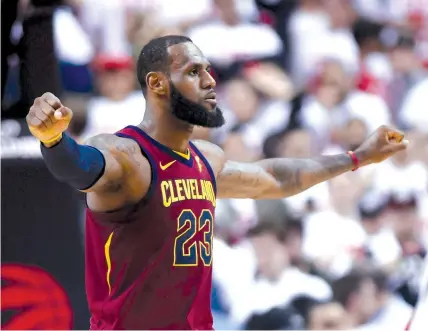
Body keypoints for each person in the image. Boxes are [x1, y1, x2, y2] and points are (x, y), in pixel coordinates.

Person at [26, 35, 408, 330]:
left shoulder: (205, 159)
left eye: (208, 70)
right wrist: (53, 140)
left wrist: (356, 157)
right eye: (194, 72)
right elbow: (76, 167)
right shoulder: (126, 156)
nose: (210, 81)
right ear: (158, 84)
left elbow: (275, 177)